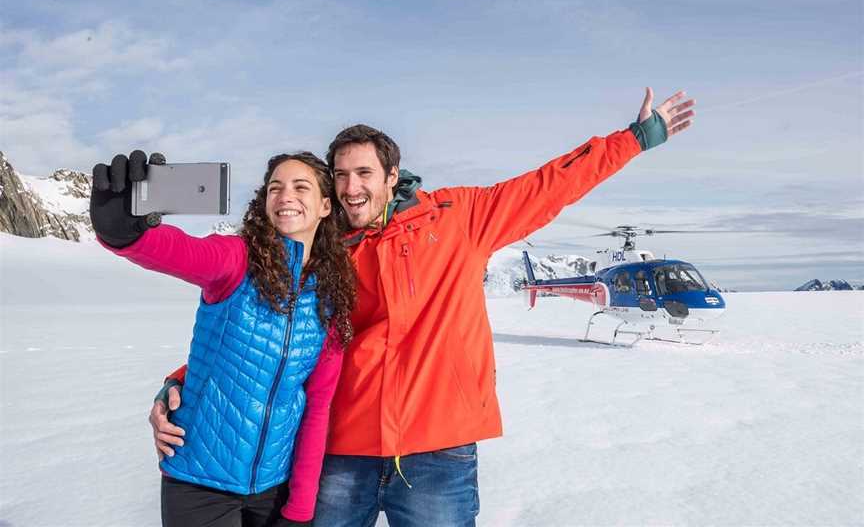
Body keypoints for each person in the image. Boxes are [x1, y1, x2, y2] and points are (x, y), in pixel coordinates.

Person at [151, 88, 695, 526]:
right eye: (339, 176)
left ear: (392, 177)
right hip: (343, 452)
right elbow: (268, 332)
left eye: (363, 174)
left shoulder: (459, 218)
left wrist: (635, 139)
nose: (349, 188)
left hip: (440, 451)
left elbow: (549, 184)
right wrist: (182, 383)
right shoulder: (318, 250)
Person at [91, 151, 355, 527]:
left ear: (325, 205)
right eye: (275, 188)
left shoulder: (331, 300)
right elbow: (183, 252)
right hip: (200, 486)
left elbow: (316, 409)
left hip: (274, 490)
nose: (285, 196)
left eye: (301, 187)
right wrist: (125, 234)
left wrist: (300, 509)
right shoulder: (237, 260)